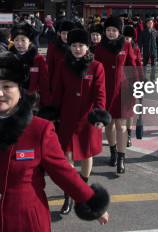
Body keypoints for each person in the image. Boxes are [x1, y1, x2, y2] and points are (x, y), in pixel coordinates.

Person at [0, 51, 110, 231]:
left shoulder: (39, 129)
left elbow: (63, 172)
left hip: (28, 221)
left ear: (20, 89)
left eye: (7, 86)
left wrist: (91, 201)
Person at [51, 29, 111, 215]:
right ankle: (69, 194)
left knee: (86, 155)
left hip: (88, 119)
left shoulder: (96, 66)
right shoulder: (63, 64)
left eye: (81, 45)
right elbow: (57, 91)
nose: (77, 49)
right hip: (67, 117)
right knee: (66, 155)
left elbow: (100, 93)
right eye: (74, 45)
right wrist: (52, 113)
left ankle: (82, 191)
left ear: (87, 47)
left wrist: (99, 115)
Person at [94, 15, 137, 174]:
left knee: (121, 125)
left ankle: (121, 158)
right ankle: (112, 152)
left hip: (123, 91)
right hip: (104, 91)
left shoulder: (126, 45)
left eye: (114, 30)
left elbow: (132, 66)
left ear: (119, 31)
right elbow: (95, 69)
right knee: (109, 124)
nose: (111, 33)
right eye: (108, 30)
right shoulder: (99, 47)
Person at [9, 22, 51, 109]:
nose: (19, 44)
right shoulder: (8, 58)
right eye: (16, 40)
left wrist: (45, 104)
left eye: (23, 40)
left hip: (32, 102)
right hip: (12, 100)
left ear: (30, 41)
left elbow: (44, 83)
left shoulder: (38, 59)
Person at [124, 25, 144, 148]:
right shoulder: (118, 48)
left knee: (129, 111)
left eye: (129, 37)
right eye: (125, 37)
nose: (127, 39)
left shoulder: (136, 49)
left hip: (132, 82)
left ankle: (128, 135)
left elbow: (139, 65)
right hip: (120, 82)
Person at [46, 19, 75, 86]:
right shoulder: (53, 46)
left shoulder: (77, 47)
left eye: (69, 33)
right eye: (64, 33)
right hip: (57, 83)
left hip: (73, 83)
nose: (66, 36)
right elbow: (49, 67)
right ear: (59, 33)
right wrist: (48, 85)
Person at [138, 17, 158, 81]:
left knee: (153, 65)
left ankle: (152, 78)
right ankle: (144, 78)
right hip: (146, 51)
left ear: (153, 24)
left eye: (151, 23)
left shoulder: (155, 32)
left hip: (154, 51)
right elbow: (140, 43)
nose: (150, 24)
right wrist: (139, 51)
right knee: (144, 65)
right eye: (149, 23)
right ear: (146, 24)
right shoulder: (143, 32)